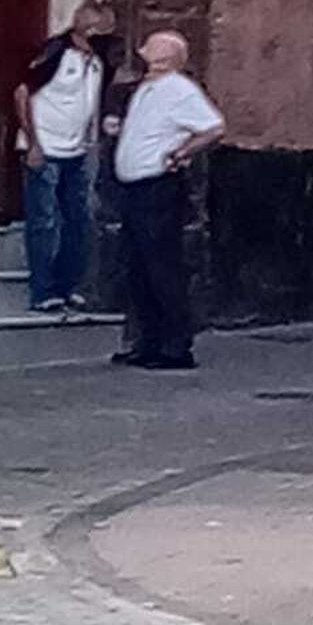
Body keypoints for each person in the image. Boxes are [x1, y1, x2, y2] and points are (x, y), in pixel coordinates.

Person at [112, 30, 225, 372]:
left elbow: (213, 127)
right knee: (139, 267)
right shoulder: (147, 89)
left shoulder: (179, 90)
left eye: (152, 54)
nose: (145, 58)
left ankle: (175, 345)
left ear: (166, 59)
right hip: (135, 188)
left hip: (157, 188)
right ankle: (148, 341)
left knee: (161, 267)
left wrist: (182, 152)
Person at [14, 2, 117, 314]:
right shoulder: (55, 53)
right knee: (44, 219)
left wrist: (92, 136)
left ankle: (68, 284)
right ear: (88, 30)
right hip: (45, 146)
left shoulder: (100, 62)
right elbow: (22, 91)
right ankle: (43, 289)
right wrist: (33, 143)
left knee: (79, 219)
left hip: (77, 150)